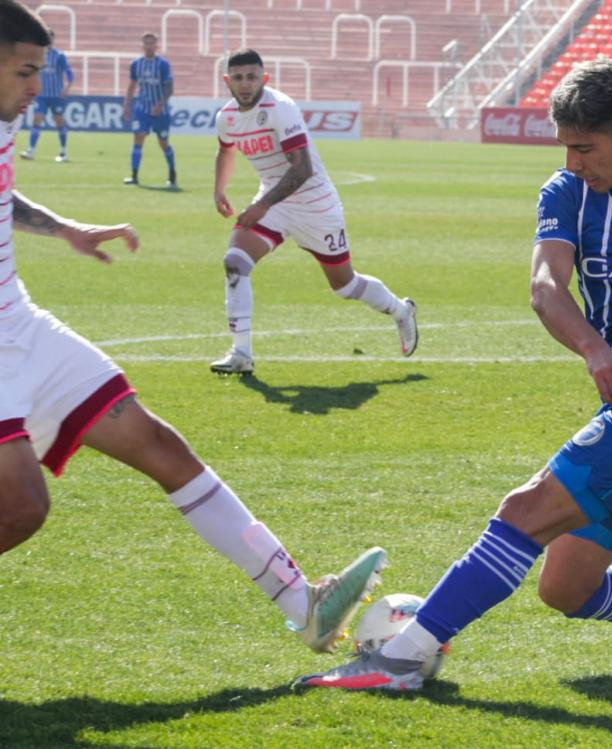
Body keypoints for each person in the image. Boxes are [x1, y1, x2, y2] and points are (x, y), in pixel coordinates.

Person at [295, 58, 612, 693]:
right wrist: (595, 351)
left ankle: (401, 659)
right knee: (567, 586)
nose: (574, 162)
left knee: (525, 510)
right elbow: (546, 287)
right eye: (566, 148)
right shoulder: (567, 193)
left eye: (585, 148)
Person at [0, 0, 385, 657]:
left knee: (161, 445)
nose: (40, 86)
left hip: (23, 323)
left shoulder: (4, 118)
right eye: (26, 72)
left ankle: (306, 605)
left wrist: (64, 228)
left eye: (41, 71)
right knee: (23, 509)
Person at [209, 49, 417, 374]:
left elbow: (302, 169)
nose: (245, 84)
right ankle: (241, 354)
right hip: (274, 201)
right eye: (238, 78)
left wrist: (262, 205)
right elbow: (225, 151)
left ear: (264, 78)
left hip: (315, 204)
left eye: (252, 77)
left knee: (344, 286)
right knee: (235, 263)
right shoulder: (226, 116)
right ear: (227, 81)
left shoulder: (280, 108)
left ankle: (400, 310)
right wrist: (219, 189)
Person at [121, 31, 176, 187]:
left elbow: (169, 88)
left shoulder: (163, 65)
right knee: (138, 138)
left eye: (152, 43)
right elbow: (132, 86)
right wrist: (127, 105)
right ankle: (134, 175)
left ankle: (172, 174)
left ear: (156, 45)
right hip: (142, 110)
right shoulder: (136, 64)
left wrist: (160, 104)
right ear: (142, 45)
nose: (149, 46)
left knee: (163, 143)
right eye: (147, 43)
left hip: (161, 112)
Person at [18, 27, 71, 162]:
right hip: (41, 96)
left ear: (53, 39)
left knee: (59, 122)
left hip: (56, 96)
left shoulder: (59, 56)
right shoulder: (38, 55)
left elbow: (70, 74)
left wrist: (67, 88)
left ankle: (63, 152)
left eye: (50, 38)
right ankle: (31, 150)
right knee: (37, 120)